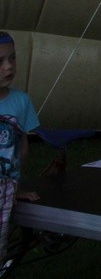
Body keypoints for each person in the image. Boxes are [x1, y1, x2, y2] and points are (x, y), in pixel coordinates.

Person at [0, 32, 40, 262]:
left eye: (12, 58)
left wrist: (15, 187)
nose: (9, 66)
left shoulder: (21, 101)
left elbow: (22, 149)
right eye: (0, 61)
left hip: (6, 191)